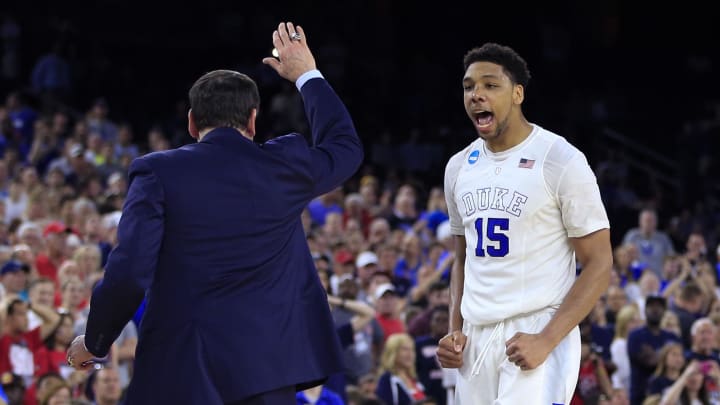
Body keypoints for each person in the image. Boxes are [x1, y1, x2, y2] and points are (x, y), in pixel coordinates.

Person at [66, 21, 363, 404]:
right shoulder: (284, 165)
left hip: (182, 370)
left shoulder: (156, 172)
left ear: (192, 122)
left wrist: (96, 341)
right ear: (253, 121)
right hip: (269, 370)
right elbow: (344, 146)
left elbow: (129, 270)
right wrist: (306, 74)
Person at [435, 42, 613, 404]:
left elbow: (600, 262)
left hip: (537, 327)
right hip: (476, 336)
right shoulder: (458, 167)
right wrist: (454, 329)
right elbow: (462, 257)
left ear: (517, 93)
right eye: (469, 87)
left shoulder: (560, 159)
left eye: (490, 85)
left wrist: (547, 339)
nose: (476, 95)